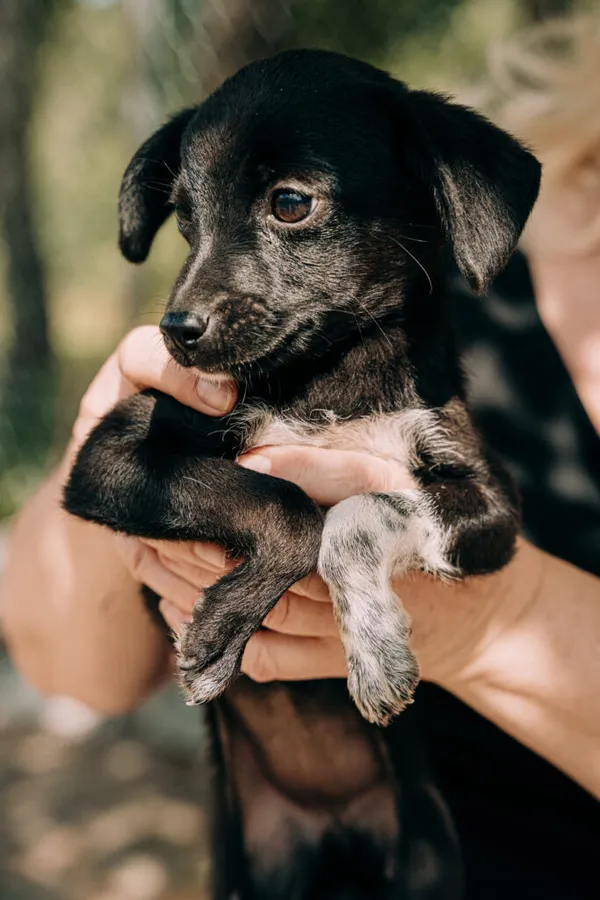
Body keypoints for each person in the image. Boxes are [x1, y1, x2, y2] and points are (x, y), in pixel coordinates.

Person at [2, 13, 599, 900]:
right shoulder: (363, 323)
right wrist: (141, 469)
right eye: (190, 224)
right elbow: (68, 668)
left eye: (290, 205)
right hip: (270, 835)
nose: (193, 299)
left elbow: (474, 521)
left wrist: (481, 625)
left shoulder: (422, 311)